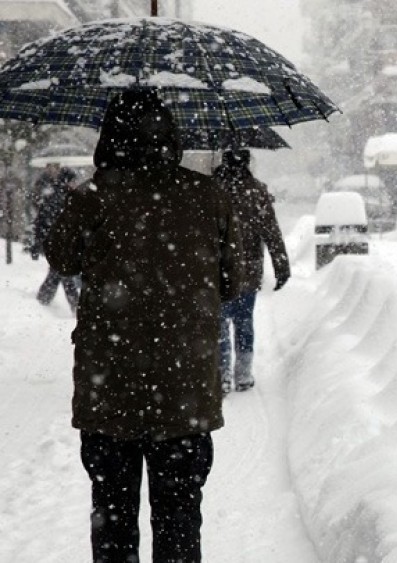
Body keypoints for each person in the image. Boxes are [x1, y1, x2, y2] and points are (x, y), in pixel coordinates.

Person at [43, 89, 243, 563]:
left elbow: (61, 257)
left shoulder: (92, 197)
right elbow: (234, 281)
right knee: (179, 517)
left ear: (109, 137)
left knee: (112, 517)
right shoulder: (207, 195)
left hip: (108, 387)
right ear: (169, 137)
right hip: (184, 392)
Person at [212, 148, 290, 394]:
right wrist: (281, 265)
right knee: (244, 321)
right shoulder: (256, 191)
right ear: (247, 163)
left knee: (220, 324)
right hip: (248, 269)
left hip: (218, 268)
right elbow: (271, 231)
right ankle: (243, 374)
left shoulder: (211, 189)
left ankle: (222, 375)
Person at [29, 162, 80, 312]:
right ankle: (74, 304)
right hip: (56, 238)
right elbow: (41, 217)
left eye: (54, 167)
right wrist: (38, 242)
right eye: (49, 167)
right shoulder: (49, 189)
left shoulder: (67, 192)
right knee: (61, 270)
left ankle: (44, 299)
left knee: (59, 270)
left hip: (66, 238)